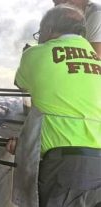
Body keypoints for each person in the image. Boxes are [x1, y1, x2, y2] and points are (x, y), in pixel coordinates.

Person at [7, 4, 101, 207]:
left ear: (49, 29)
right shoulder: (97, 60)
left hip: (66, 166)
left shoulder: (36, 54)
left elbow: (22, 87)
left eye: (40, 32)